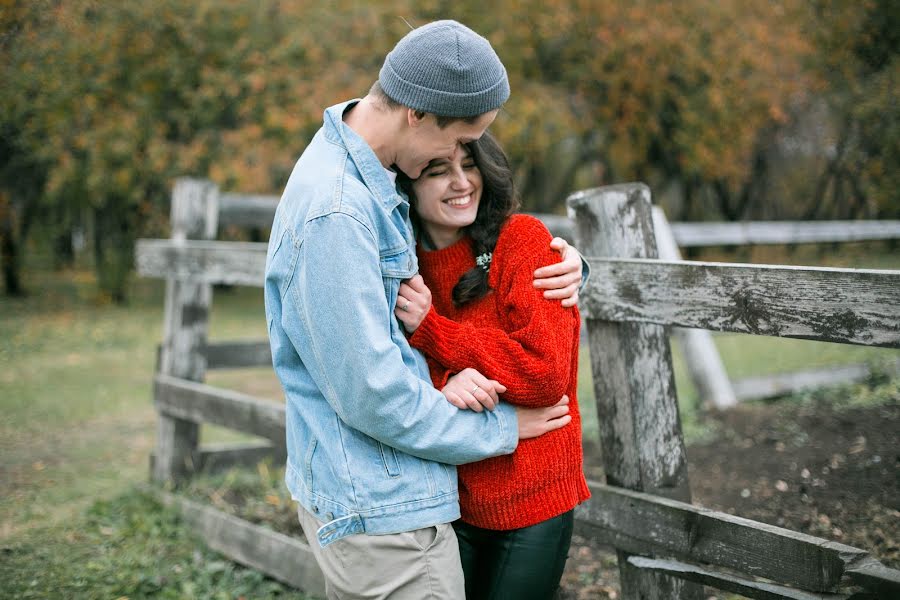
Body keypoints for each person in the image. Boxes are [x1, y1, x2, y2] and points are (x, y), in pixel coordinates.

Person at [264, 20, 585, 599]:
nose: (460, 163)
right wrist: (501, 427)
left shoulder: (367, 186)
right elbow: (375, 390)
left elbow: (397, 337)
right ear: (417, 114)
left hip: (414, 494)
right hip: (383, 504)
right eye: (456, 141)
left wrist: (576, 269)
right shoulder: (341, 211)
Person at [395, 133, 590, 599]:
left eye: (470, 165)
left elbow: (544, 374)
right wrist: (445, 381)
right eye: (439, 170)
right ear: (408, 185)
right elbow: (392, 366)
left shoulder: (521, 240)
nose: (462, 183)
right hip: (451, 499)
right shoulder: (401, 266)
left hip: (533, 496)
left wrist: (434, 331)